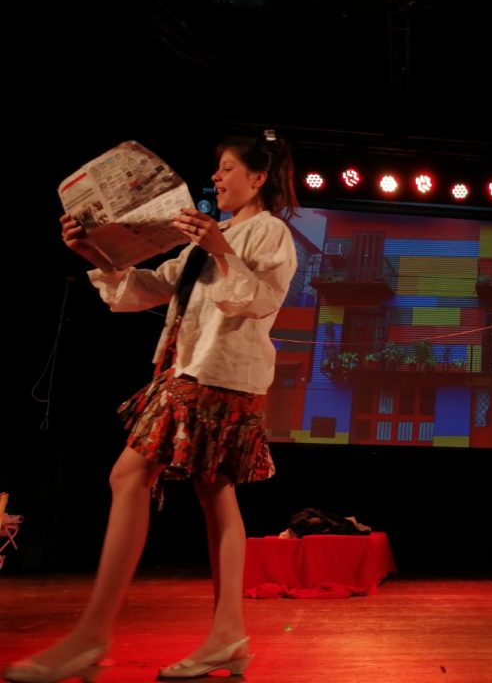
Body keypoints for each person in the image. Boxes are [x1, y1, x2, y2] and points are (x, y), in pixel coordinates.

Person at [3, 130, 299, 683]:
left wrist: (219, 248)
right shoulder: (209, 240)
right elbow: (147, 288)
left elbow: (257, 301)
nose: (216, 177)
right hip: (189, 372)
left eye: (227, 168)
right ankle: (227, 635)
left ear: (258, 178)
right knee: (214, 494)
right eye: (217, 169)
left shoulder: (267, 231)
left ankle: (94, 635)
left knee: (131, 475)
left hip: (217, 380)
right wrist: (93, 252)